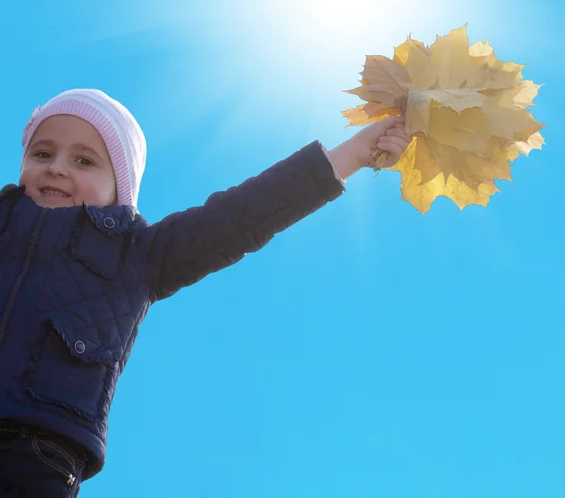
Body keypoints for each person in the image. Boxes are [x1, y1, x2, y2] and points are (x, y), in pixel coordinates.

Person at [0, 89, 410, 497]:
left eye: (83, 160)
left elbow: (241, 215)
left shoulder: (139, 253)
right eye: (42, 154)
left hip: (38, 453)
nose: (56, 168)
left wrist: (354, 153)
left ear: (119, 188)